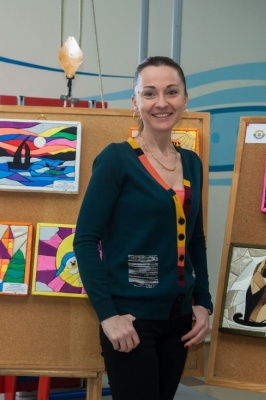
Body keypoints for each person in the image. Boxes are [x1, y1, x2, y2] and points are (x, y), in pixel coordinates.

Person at [73, 56, 213, 400]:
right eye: (149, 93)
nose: (161, 102)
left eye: (171, 92)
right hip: (131, 320)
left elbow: (195, 239)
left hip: (179, 320)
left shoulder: (191, 163)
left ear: (185, 99)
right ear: (135, 101)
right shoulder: (116, 160)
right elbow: (85, 240)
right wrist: (108, 316)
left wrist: (203, 302)